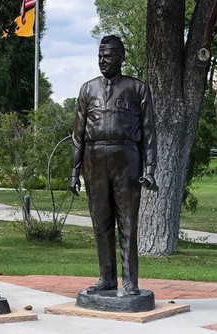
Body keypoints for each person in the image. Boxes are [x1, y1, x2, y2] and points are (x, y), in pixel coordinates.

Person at [69, 35, 157, 296]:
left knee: (127, 222)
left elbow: (149, 132)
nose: (102, 61)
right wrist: (74, 171)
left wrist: (150, 169)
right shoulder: (88, 89)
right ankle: (107, 277)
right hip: (94, 159)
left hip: (126, 158)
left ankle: (130, 281)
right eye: (99, 56)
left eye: (108, 56)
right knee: (101, 222)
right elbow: (77, 134)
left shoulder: (138, 88)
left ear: (121, 57)